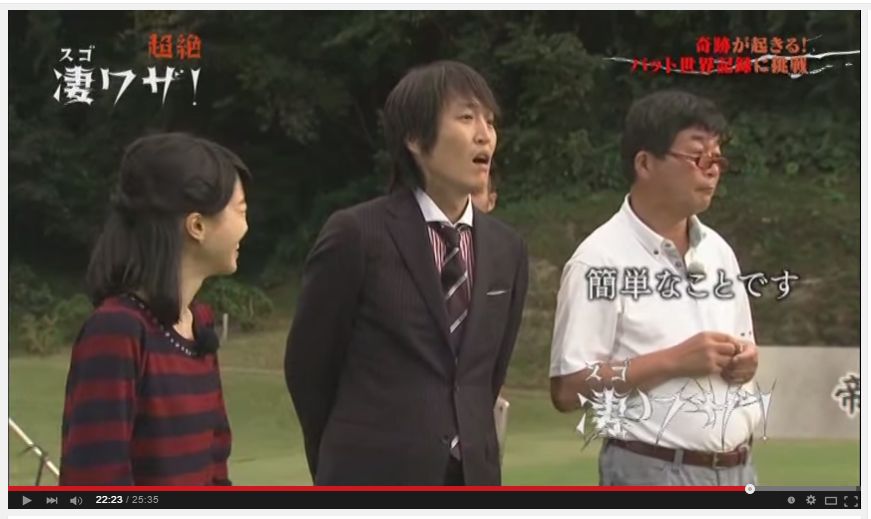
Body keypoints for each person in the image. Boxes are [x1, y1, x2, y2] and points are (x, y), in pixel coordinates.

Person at [285, 60, 529, 485]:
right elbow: (309, 368)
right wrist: (337, 461)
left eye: (490, 121)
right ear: (415, 138)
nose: (485, 134)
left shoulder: (508, 249)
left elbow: (488, 374)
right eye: (466, 117)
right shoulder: (357, 235)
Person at [549, 90, 760, 486]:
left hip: (739, 470)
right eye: (698, 157)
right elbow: (568, 389)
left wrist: (746, 360)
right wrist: (672, 361)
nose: (712, 170)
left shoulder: (718, 251)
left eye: (717, 159)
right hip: (652, 470)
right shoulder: (599, 260)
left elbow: (744, 347)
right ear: (645, 163)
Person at [60, 132, 251, 485]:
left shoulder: (199, 326)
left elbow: (215, 467)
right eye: (241, 211)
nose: (246, 226)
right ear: (197, 226)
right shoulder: (118, 330)